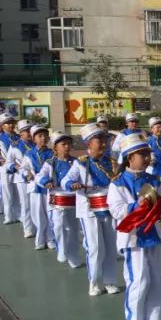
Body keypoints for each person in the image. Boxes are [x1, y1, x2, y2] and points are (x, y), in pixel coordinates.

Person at [109, 134, 161, 320]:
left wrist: (157, 207)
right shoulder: (118, 183)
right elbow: (116, 210)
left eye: (147, 154)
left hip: (152, 234)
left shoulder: (154, 180)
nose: (147, 157)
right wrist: (136, 206)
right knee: (138, 280)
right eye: (142, 154)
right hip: (133, 238)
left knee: (156, 281)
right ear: (129, 157)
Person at [62, 123, 121, 296]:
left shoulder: (112, 162)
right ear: (89, 143)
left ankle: (110, 281)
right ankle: (94, 282)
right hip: (88, 209)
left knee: (111, 246)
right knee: (95, 247)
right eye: (99, 140)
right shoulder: (80, 163)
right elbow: (66, 180)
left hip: (109, 207)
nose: (103, 143)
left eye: (105, 140)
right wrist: (72, 185)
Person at [36, 131, 82, 268]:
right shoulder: (50, 163)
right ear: (56, 147)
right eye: (63, 144)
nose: (67, 147)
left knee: (74, 229)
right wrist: (45, 181)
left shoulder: (77, 162)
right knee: (58, 226)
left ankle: (73, 256)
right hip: (57, 201)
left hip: (74, 200)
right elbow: (39, 176)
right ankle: (61, 249)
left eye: (69, 144)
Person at [22, 125, 55, 251]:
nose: (43, 138)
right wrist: (27, 174)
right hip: (36, 189)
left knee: (50, 215)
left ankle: (50, 238)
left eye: (45, 135)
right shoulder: (29, 153)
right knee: (38, 216)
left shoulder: (52, 153)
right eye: (39, 136)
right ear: (33, 138)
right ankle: (40, 240)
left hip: (49, 188)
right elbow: (23, 169)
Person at [8, 120, 35, 238]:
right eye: (26, 131)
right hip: (21, 179)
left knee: (36, 204)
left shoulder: (35, 145)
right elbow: (8, 162)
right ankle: (27, 228)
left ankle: (37, 227)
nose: (29, 133)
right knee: (26, 204)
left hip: (35, 179)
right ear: (20, 132)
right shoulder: (15, 145)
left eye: (30, 130)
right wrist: (15, 166)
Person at [0, 114, 19, 224]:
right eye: (8, 123)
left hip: (17, 169)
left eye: (12, 123)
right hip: (4, 169)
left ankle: (18, 214)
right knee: (7, 193)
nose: (11, 125)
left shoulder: (18, 137)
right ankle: (8, 216)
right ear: (2, 126)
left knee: (17, 192)